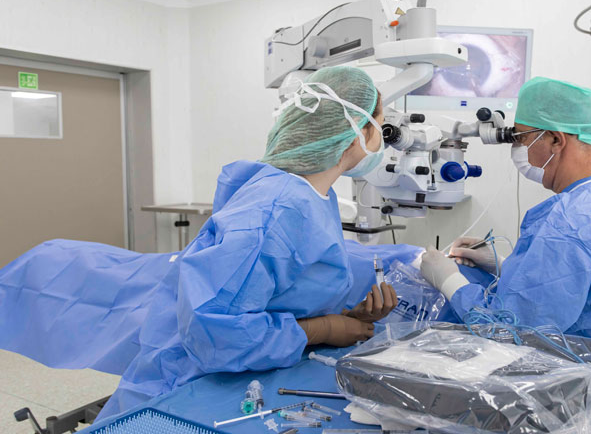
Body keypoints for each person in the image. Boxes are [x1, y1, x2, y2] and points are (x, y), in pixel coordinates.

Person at [0, 65, 410, 419]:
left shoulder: (311, 196)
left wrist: (343, 315)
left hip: (249, 368)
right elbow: (215, 331)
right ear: (356, 132)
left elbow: (277, 287)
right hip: (192, 385)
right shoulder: (278, 209)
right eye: (379, 124)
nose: (381, 136)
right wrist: (323, 329)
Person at [420, 77, 591, 361]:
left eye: (522, 138)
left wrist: (449, 281)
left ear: (556, 140)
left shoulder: (569, 223)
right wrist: (505, 267)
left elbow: (507, 333)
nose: (518, 148)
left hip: (589, 377)